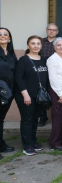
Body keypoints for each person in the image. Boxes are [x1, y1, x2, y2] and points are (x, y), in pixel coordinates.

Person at [15, 36, 49, 156]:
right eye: (33, 43)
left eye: (38, 43)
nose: (36, 46)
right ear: (28, 45)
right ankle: (27, 146)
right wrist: (25, 95)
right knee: (27, 120)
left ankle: (33, 141)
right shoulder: (24, 60)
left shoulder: (43, 59)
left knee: (35, 119)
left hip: (39, 97)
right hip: (27, 96)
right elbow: (18, 78)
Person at [46, 37, 62, 151]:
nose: (61, 47)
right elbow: (53, 78)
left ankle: (60, 139)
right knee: (57, 117)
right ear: (54, 47)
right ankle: (54, 142)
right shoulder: (52, 59)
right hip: (57, 91)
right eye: (59, 45)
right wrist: (60, 94)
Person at [0, 28, 17, 159]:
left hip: (8, 92)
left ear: (9, 38)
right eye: (0, 34)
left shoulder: (11, 54)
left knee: (1, 119)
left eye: (5, 34)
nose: (3, 36)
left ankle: (1, 144)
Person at [38, 23, 59, 126]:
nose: (51, 31)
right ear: (46, 31)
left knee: (54, 94)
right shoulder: (41, 42)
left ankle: (56, 118)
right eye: (50, 29)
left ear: (57, 32)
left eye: (54, 30)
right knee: (42, 93)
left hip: (56, 73)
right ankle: (42, 117)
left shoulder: (59, 43)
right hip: (42, 71)